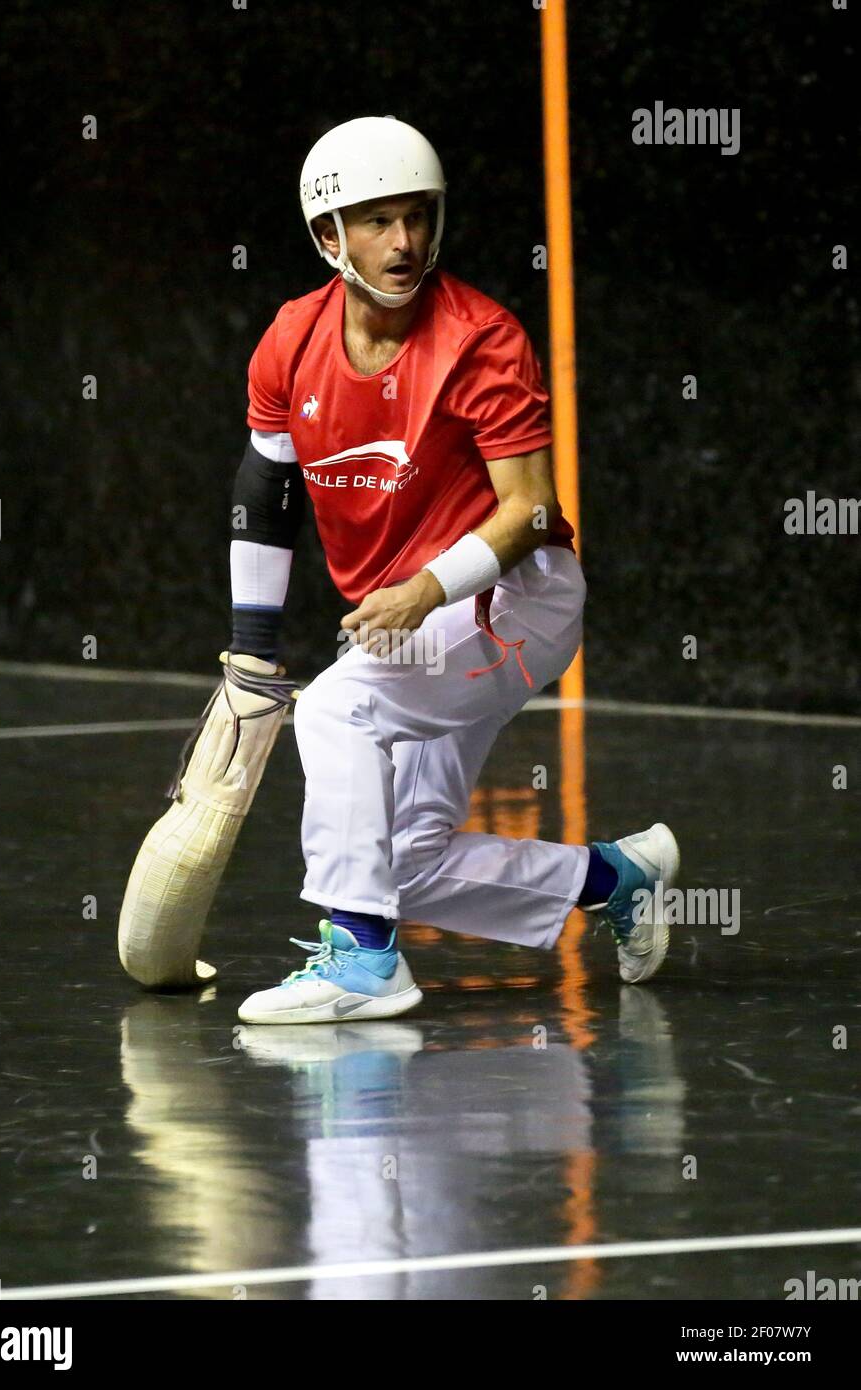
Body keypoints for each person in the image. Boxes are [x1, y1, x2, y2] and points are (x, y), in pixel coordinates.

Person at [231, 116, 679, 1024]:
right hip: (419, 617)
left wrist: (426, 587)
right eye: (378, 222)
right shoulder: (290, 341)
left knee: (335, 706)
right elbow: (265, 486)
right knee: (403, 862)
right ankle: (614, 877)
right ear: (328, 235)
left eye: (419, 217)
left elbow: (532, 510)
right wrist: (249, 653)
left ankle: (361, 960)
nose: (406, 243)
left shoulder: (480, 338)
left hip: (515, 601)